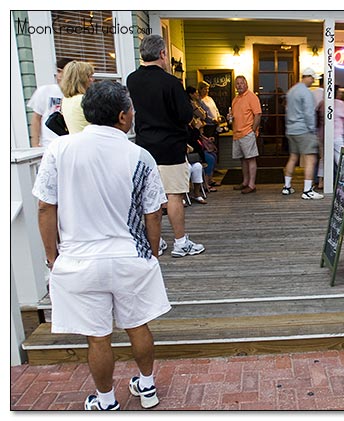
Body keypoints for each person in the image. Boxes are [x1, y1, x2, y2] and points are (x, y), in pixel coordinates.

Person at [32, 80, 172, 410]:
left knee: (97, 336)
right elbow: (153, 213)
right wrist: (151, 254)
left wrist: (52, 257)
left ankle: (107, 401)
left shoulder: (60, 150)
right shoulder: (140, 156)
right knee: (138, 325)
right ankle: (147, 387)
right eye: (132, 110)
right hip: (129, 256)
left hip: (79, 259)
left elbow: (44, 207)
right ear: (124, 116)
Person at [127, 34, 204, 258]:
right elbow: (185, 115)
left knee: (150, 196)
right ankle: (180, 242)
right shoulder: (171, 82)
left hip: (144, 146)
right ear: (162, 54)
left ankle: (156, 241)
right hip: (170, 146)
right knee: (174, 195)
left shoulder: (132, 80)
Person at [282, 67, 324, 200]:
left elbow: (287, 111)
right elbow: (309, 113)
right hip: (304, 130)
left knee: (293, 157)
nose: (313, 81)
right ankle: (307, 191)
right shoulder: (306, 93)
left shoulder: (291, 91)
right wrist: (312, 130)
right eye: (312, 79)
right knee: (311, 159)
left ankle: (287, 187)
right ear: (308, 77)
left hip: (291, 130)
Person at [27, 57, 73, 148]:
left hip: (70, 144)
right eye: (58, 71)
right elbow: (36, 118)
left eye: (63, 72)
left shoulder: (78, 94)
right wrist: (35, 144)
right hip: (49, 144)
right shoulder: (45, 91)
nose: (59, 75)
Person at [227, 75, 261, 194]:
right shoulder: (235, 99)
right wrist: (230, 118)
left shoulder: (252, 97)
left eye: (242, 83)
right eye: (237, 83)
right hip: (237, 134)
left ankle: (252, 185)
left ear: (246, 84)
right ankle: (245, 182)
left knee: (250, 158)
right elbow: (234, 116)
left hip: (247, 133)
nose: (239, 85)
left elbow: (258, 114)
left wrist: (253, 130)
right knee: (242, 159)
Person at [59, 60, 95, 134]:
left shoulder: (66, 99)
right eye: (89, 76)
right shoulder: (84, 100)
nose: (92, 80)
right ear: (81, 79)